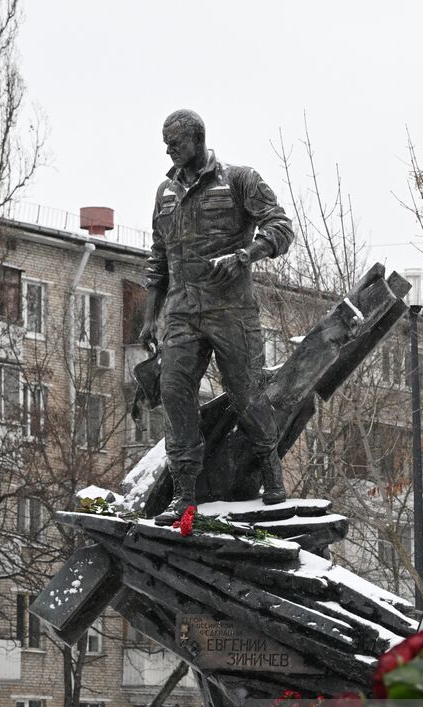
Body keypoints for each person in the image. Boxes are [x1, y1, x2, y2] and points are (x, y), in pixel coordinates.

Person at [140, 109, 296, 524]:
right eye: (165, 141)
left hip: (231, 311)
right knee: (174, 394)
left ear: (198, 139)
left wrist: (246, 255)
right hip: (181, 312)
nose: (168, 148)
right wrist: (149, 317)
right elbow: (158, 258)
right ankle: (185, 492)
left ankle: (270, 469)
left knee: (246, 392)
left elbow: (280, 227)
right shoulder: (165, 193)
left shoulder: (239, 180)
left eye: (175, 141)